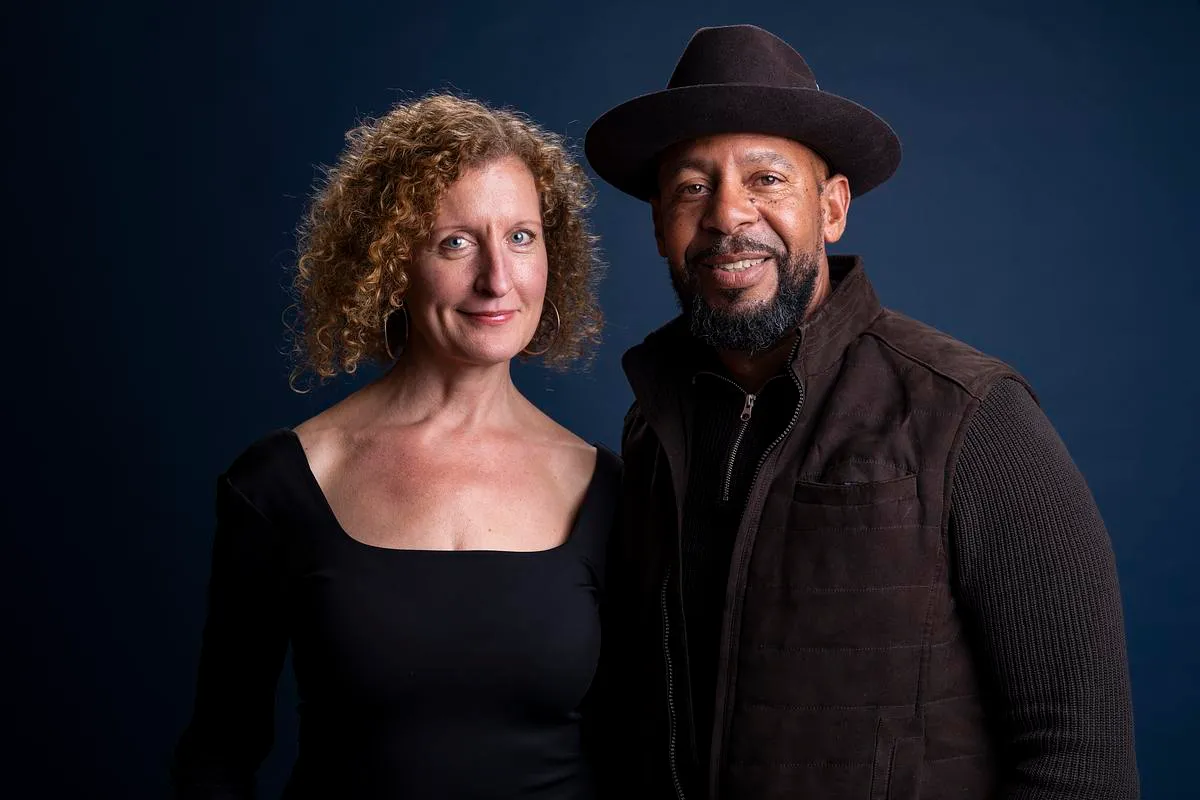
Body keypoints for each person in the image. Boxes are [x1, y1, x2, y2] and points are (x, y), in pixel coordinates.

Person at [584, 24, 1138, 799]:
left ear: (833, 207)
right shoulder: (651, 433)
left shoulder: (972, 417)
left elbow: (1082, 760)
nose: (727, 216)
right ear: (659, 229)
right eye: (691, 187)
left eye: (767, 179)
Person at [173, 94, 617, 799]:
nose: (498, 279)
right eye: (455, 242)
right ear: (387, 264)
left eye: (522, 237)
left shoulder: (610, 489)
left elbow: (644, 748)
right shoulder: (285, 482)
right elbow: (219, 753)